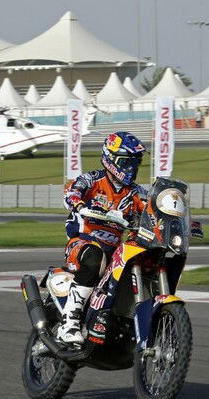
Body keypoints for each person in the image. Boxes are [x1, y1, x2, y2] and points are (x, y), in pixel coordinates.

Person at [58, 132, 147, 345]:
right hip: (83, 241)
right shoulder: (92, 180)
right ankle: (68, 324)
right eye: (128, 161)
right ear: (112, 159)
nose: (132, 167)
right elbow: (71, 192)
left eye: (136, 161)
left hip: (116, 250)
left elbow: (152, 210)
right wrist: (79, 204)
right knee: (95, 258)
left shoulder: (137, 192)